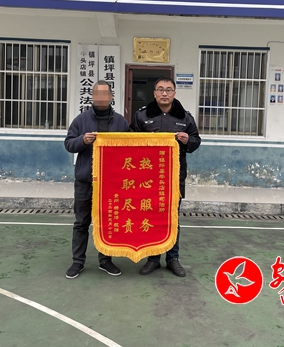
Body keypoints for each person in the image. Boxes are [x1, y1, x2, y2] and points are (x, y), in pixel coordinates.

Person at [130, 77, 201, 278]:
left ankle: (172, 258)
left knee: (172, 218)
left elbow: (196, 141)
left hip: (173, 178)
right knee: (151, 216)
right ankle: (153, 258)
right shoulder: (142, 115)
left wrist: (187, 140)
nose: (164, 93)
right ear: (154, 93)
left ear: (174, 93)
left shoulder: (185, 117)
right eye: (160, 89)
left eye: (168, 90)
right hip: (148, 178)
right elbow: (129, 140)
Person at [64, 80, 130, 279]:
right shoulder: (81, 120)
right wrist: (82, 140)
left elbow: (129, 147)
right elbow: (68, 144)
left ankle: (105, 260)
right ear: (92, 96)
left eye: (105, 94)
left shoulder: (120, 122)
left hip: (110, 183)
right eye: (97, 94)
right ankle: (78, 262)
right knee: (81, 222)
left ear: (111, 97)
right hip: (85, 180)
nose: (101, 97)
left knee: (108, 222)